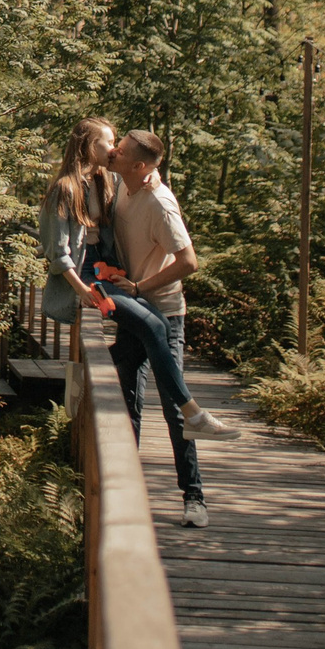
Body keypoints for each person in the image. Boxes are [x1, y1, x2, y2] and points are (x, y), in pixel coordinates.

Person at [36, 118, 238, 489]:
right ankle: (192, 414)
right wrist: (82, 290)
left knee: (148, 338)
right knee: (148, 333)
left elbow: (146, 198)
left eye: (119, 145)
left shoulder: (108, 181)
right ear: (87, 146)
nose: (114, 150)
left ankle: (189, 462)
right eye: (109, 143)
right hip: (90, 278)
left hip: (116, 277)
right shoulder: (66, 189)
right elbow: (58, 252)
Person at [103, 127, 236, 527]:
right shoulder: (121, 183)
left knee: (175, 409)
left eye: (120, 150)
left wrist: (141, 286)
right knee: (127, 403)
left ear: (139, 166)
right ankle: (125, 495)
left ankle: (194, 498)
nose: (112, 152)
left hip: (164, 316)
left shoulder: (160, 203)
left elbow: (189, 262)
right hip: (132, 313)